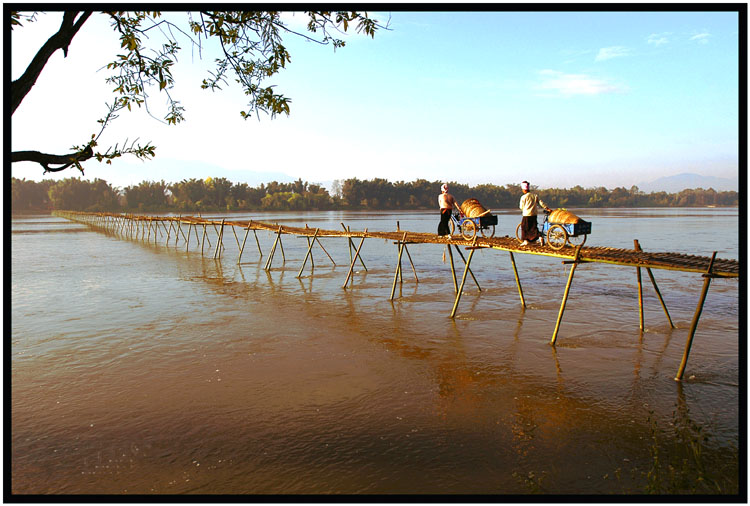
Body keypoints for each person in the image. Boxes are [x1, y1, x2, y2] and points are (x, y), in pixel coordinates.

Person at [519, 180, 551, 246]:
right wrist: (547, 208)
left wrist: (523, 209)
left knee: (524, 227)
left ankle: (526, 241)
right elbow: (541, 203)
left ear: (524, 190)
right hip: (534, 214)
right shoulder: (534, 195)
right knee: (533, 228)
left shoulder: (523, 197)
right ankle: (540, 237)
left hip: (527, 214)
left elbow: (521, 207)